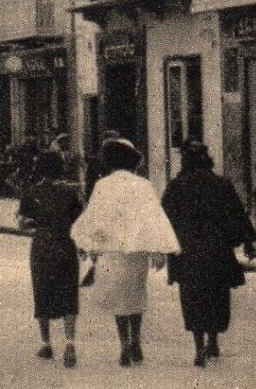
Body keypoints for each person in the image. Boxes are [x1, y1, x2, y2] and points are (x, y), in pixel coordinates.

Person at [70, 138, 181, 367]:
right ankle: (137, 340)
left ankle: (123, 343)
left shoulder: (103, 185)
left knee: (118, 299)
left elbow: (95, 218)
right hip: (136, 250)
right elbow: (153, 219)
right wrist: (158, 250)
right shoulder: (143, 185)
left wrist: (91, 246)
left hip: (112, 250)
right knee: (136, 296)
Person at [161, 141, 255, 367]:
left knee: (192, 298)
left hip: (188, 251)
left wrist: (165, 245)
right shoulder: (221, 184)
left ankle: (198, 346)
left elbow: (164, 218)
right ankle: (213, 340)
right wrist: (247, 241)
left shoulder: (176, 186)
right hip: (217, 250)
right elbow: (236, 214)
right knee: (216, 296)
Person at [18, 150, 83, 367]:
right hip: (66, 244)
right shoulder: (70, 193)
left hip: (43, 245)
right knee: (68, 292)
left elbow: (23, 223)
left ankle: (46, 344)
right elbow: (79, 221)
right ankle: (70, 342)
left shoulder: (31, 192)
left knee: (42, 291)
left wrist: (36, 223)